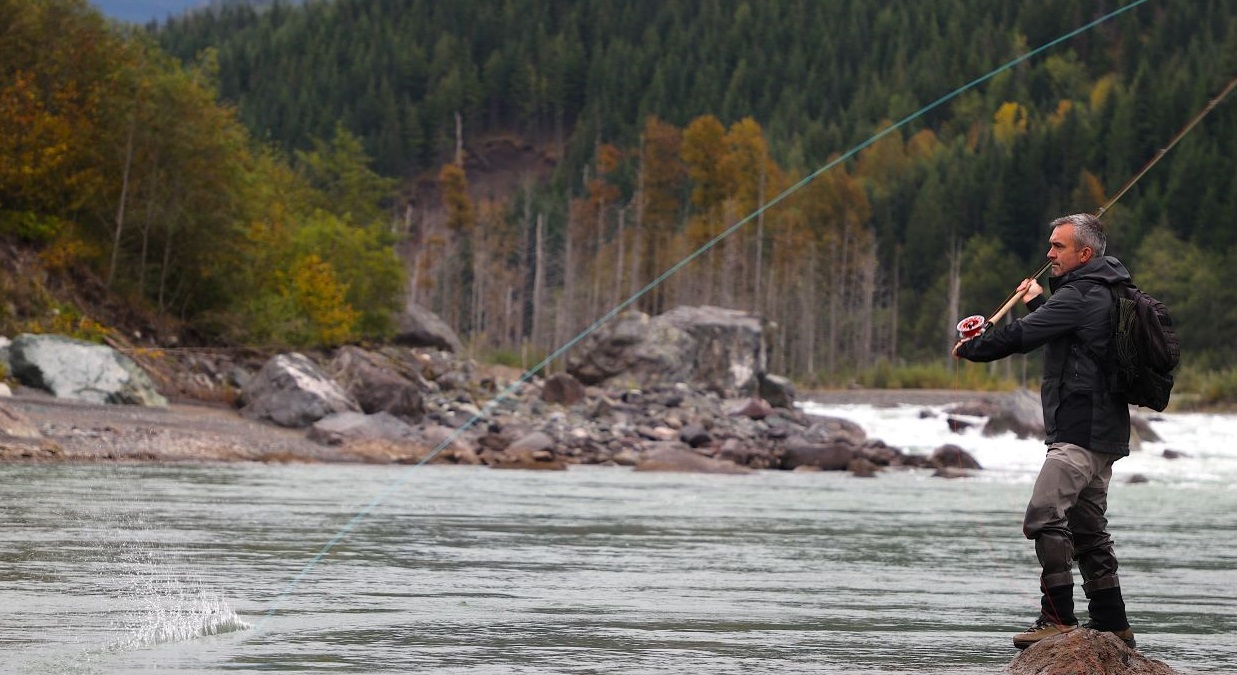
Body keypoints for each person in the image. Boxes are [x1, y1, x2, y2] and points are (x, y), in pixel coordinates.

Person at [953, 213, 1136, 650]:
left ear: (1084, 254)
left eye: (1058, 247)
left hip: (1079, 429)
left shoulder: (1081, 294)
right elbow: (1070, 334)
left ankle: (1056, 619)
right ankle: (1114, 626)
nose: (1049, 254)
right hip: (1104, 431)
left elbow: (1020, 336)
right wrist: (1039, 300)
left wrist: (975, 348)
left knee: (1043, 514)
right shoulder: (1103, 292)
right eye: (1050, 245)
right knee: (1088, 529)